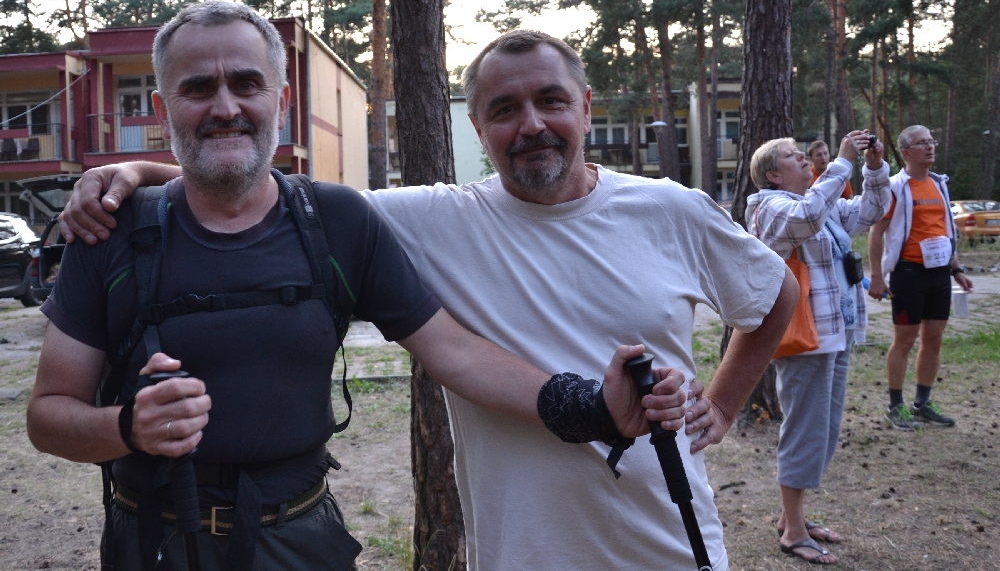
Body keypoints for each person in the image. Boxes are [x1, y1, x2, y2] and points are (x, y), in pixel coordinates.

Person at [60, 28, 799, 570]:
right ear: (477, 127)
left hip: (669, 538)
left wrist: (724, 402)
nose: (532, 125)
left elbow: (775, 294)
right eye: (504, 109)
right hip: (519, 551)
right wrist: (142, 171)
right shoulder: (434, 218)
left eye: (551, 101)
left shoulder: (670, 208)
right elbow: (265, 192)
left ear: (584, 106)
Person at [747, 133, 889, 565]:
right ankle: (793, 531)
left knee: (824, 429)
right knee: (805, 428)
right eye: (793, 156)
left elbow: (871, 211)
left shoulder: (820, 203)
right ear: (774, 174)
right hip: (804, 337)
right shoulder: (770, 206)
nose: (805, 159)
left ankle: (791, 516)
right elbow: (805, 218)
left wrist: (873, 167)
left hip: (836, 331)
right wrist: (840, 164)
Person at [867, 124, 974, 431]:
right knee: (905, 340)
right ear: (906, 153)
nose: (930, 147)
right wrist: (877, 276)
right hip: (908, 273)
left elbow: (944, 231)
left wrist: (957, 269)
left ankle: (923, 403)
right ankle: (895, 405)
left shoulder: (939, 184)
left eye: (931, 141)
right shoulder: (896, 187)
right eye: (922, 143)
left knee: (934, 338)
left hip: (939, 274)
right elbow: (876, 233)